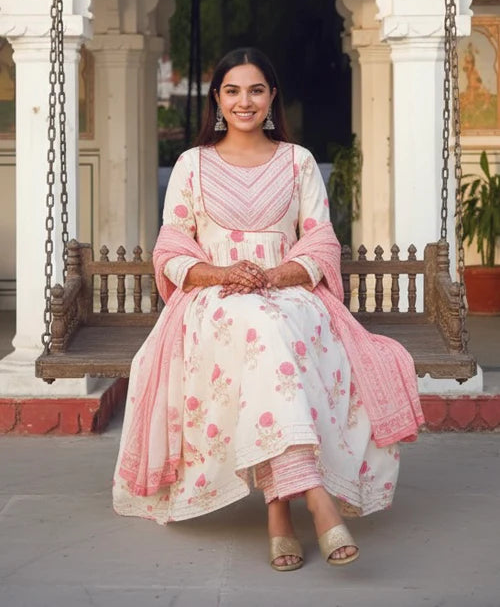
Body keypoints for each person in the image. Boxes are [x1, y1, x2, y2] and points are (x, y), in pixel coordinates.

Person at [113, 47, 424, 571]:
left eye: (256, 90)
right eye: (232, 91)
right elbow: (170, 248)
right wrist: (223, 274)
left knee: (270, 328)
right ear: (217, 99)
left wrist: (277, 275)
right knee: (259, 327)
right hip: (213, 299)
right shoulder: (193, 164)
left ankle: (279, 509)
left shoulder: (297, 161)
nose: (244, 101)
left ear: (272, 97)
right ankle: (316, 499)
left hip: (292, 292)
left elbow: (321, 242)